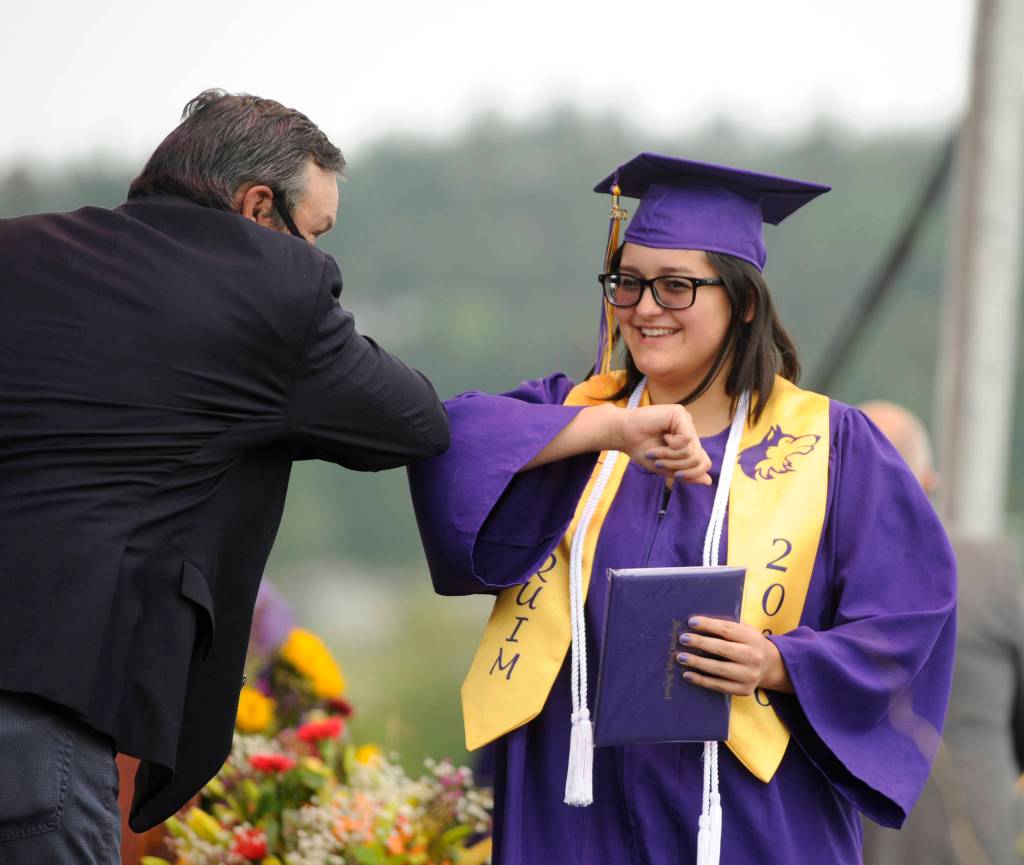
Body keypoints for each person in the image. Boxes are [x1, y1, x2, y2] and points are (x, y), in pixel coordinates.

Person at [408, 153, 957, 865]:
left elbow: (912, 614)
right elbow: (450, 443)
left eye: (675, 287)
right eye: (628, 283)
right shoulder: (575, 422)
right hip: (574, 803)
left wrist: (779, 662)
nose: (643, 308)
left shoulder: (833, 446)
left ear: (744, 300)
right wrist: (612, 431)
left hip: (747, 812)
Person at [0, 89, 449, 864]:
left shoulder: (21, 250)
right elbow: (415, 422)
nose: (316, 258)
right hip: (41, 717)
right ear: (256, 207)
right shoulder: (274, 289)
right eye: (314, 234)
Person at [859, 401, 1024, 865]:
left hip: (852, 843)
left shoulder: (801, 584)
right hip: (978, 842)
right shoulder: (993, 571)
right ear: (930, 482)